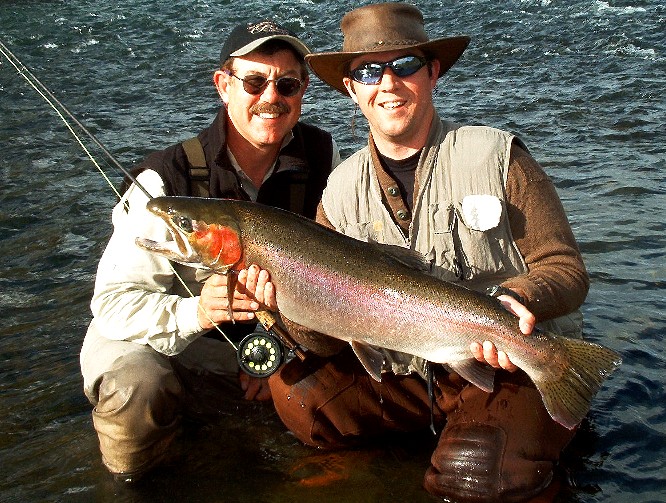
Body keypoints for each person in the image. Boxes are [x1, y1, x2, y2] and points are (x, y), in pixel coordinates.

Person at [266, 4, 589, 502]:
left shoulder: (497, 157)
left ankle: (536, 436)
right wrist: (284, 305)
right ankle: (446, 436)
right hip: (413, 367)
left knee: (471, 480)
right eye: (369, 71)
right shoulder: (338, 192)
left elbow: (565, 268)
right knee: (297, 396)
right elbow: (328, 341)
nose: (388, 83)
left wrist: (522, 298)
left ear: (433, 72)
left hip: (512, 363)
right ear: (351, 89)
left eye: (405, 65)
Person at [80, 20, 339, 483]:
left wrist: (277, 354)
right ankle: (133, 486)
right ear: (223, 86)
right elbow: (112, 304)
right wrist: (196, 312)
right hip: (153, 338)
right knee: (137, 387)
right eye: (255, 81)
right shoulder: (164, 183)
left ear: (302, 92)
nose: (271, 97)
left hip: (259, 346)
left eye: (287, 84)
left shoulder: (324, 159)